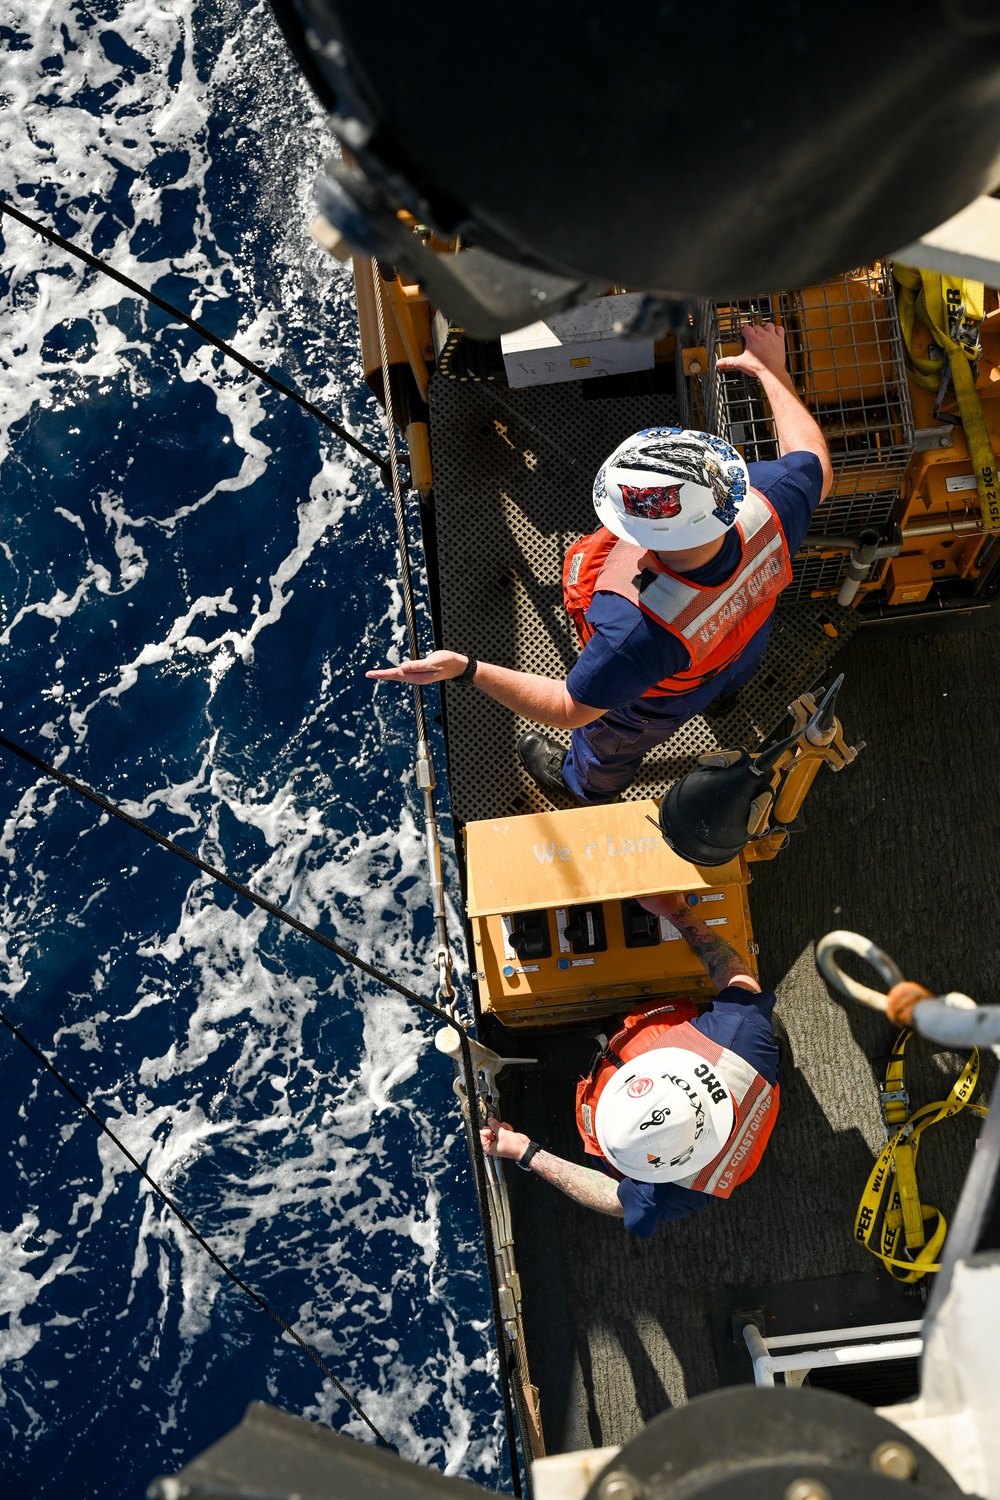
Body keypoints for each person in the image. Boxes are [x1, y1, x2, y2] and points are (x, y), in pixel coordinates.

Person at [366, 323, 832, 804]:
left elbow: (570, 708)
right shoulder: (774, 500)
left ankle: (585, 786)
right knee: (726, 670)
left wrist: (466, 669)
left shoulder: (632, 631)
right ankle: (723, 697)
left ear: (639, 534)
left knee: (608, 741)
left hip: (658, 700)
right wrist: (773, 371)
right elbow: (813, 458)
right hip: (742, 642)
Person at [479, 892, 783, 1238]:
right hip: (747, 1075)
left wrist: (525, 1151)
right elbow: (740, 984)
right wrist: (675, 909)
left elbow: (616, 1199)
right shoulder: (740, 1038)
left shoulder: (669, 1193)